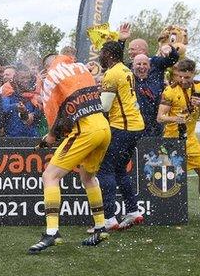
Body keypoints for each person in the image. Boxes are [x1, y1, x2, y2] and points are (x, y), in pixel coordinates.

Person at [28, 54, 111, 254]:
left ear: (48, 67)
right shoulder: (80, 68)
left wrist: (50, 135)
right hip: (103, 128)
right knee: (88, 177)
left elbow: (59, 116)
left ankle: (52, 232)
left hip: (86, 131)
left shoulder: (52, 76)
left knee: (50, 176)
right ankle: (100, 228)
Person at [97, 41, 145, 231]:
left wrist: (93, 96)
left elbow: (105, 107)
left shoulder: (112, 73)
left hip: (122, 127)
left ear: (108, 54)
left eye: (102, 52)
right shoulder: (125, 69)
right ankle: (133, 211)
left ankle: (109, 218)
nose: (100, 56)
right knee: (119, 170)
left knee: (105, 170)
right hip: (135, 125)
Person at [157, 59, 200, 193]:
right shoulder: (170, 91)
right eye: (180, 76)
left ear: (194, 73)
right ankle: (168, 211)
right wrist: (176, 119)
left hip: (191, 140)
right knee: (168, 181)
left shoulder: (198, 88)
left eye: (187, 77)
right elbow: (160, 118)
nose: (182, 80)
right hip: (172, 141)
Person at [1, 64, 42, 138]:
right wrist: (16, 106)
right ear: (16, 78)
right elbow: (4, 108)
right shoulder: (8, 90)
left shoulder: (35, 93)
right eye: (22, 78)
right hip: (12, 137)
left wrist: (27, 114)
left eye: (28, 78)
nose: (26, 81)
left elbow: (36, 115)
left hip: (32, 137)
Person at [133, 54, 162, 136]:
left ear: (149, 66)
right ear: (133, 66)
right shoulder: (129, 81)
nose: (142, 67)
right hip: (134, 127)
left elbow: (158, 107)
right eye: (138, 64)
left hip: (151, 128)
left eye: (145, 64)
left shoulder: (155, 83)